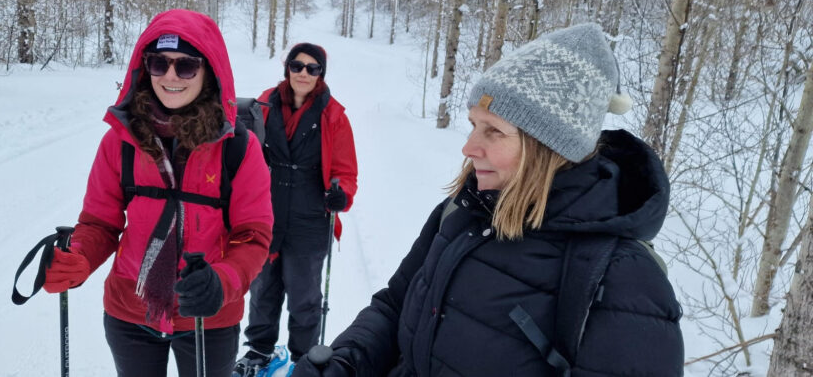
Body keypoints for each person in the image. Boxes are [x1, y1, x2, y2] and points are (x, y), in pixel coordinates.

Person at [292, 24, 684, 376]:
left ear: (548, 148)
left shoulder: (623, 281)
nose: (469, 146)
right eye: (473, 126)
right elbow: (397, 305)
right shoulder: (464, 211)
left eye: (493, 131)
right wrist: (348, 361)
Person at [42, 9, 274, 377]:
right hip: (130, 314)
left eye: (186, 66)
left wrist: (223, 280)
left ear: (208, 70)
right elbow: (100, 223)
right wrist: (79, 258)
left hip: (206, 316)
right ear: (144, 66)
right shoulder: (121, 142)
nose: (170, 76)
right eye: (158, 63)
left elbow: (254, 238)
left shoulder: (237, 148)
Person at [233, 43, 359, 375]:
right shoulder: (264, 105)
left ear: (321, 74)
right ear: (287, 68)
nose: (303, 73)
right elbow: (242, 151)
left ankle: (304, 358)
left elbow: (346, 173)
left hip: (310, 218)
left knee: (304, 296)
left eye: (312, 68)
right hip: (266, 213)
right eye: (297, 65)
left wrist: (340, 194)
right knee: (263, 288)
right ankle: (260, 351)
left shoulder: (334, 116)